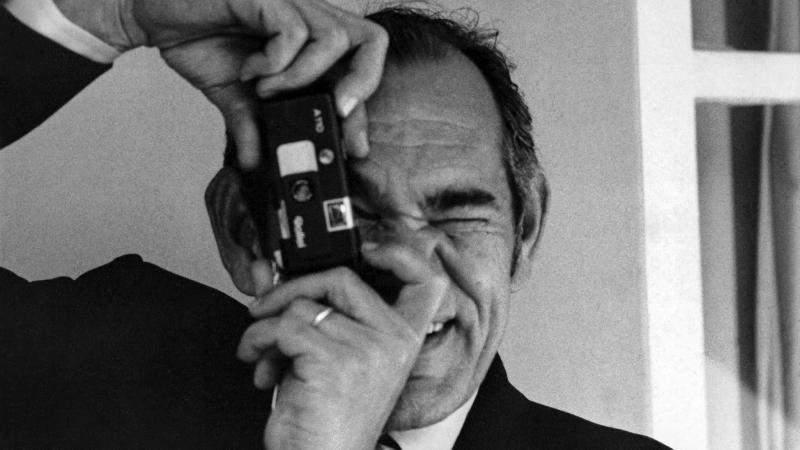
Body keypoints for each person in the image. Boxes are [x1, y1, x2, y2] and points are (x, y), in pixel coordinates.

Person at [0, 0, 672, 448]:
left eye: (457, 210)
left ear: (524, 233)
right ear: (244, 231)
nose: (410, 266)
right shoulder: (97, 370)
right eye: (351, 213)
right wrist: (105, 12)